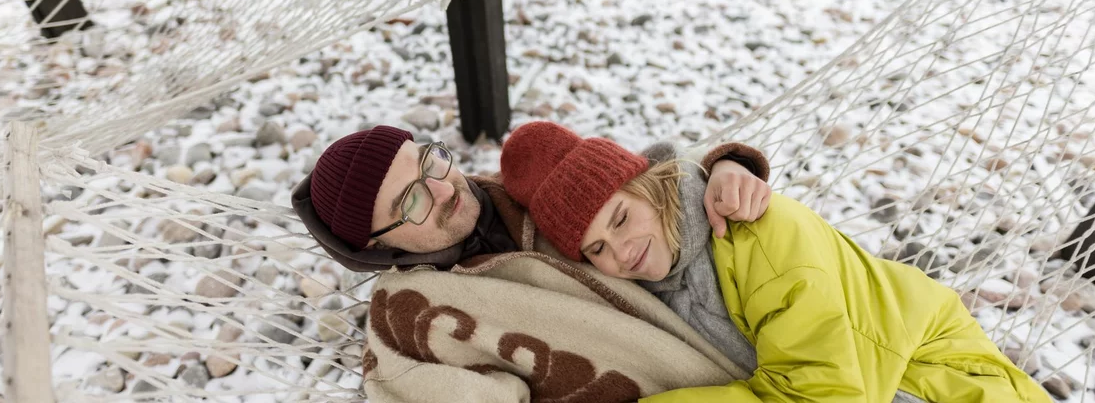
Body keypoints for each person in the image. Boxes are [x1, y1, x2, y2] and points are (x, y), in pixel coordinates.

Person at [499, 121, 1053, 403]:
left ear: (653, 185)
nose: (619, 253)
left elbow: (821, 395)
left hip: (941, 384)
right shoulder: (656, 275)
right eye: (595, 249)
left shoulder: (763, 235)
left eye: (620, 219)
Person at [290, 124, 773, 402]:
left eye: (429, 162)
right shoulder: (410, 320)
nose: (442, 189)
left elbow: (650, 180)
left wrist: (728, 167)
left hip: (766, 347)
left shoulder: (529, 183)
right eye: (410, 201)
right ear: (378, 249)